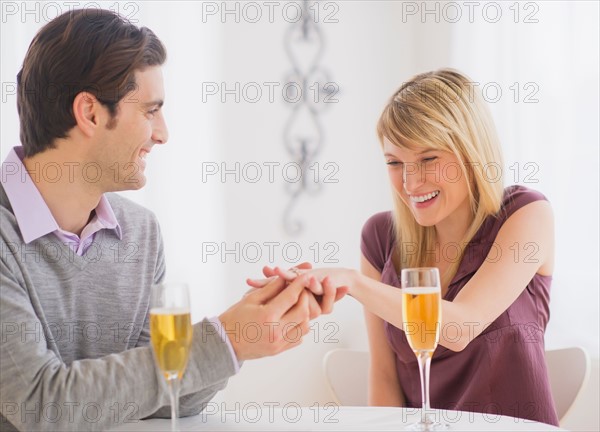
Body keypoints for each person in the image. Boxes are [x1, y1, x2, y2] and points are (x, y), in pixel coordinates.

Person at [0, 9, 343, 431]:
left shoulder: (139, 233)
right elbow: (38, 405)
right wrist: (222, 340)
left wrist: (245, 336)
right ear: (89, 113)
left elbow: (158, 397)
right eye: (150, 111)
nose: (163, 133)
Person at [249, 69, 558, 425]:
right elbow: (384, 378)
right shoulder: (380, 237)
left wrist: (354, 283)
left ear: (471, 152)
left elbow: (458, 328)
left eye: (428, 159)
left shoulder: (525, 214)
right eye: (395, 163)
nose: (410, 182)